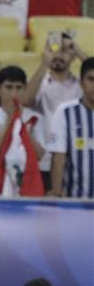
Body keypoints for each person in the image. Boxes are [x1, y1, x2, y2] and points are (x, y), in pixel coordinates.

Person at [0, 66, 45, 197]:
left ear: (25, 89)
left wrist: (21, 123)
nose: (14, 94)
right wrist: (10, 121)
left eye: (19, 88)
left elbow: (39, 155)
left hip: (26, 188)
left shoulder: (35, 118)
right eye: (8, 87)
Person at [25, 32, 86, 186]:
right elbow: (25, 101)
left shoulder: (83, 86)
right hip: (45, 161)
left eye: (65, 50)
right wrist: (45, 63)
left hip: (78, 161)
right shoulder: (40, 83)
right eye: (54, 49)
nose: (58, 55)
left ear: (73, 56)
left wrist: (78, 51)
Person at [47, 57, 94, 199]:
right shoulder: (65, 112)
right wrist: (56, 192)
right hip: (76, 203)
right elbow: (58, 157)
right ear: (81, 83)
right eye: (91, 79)